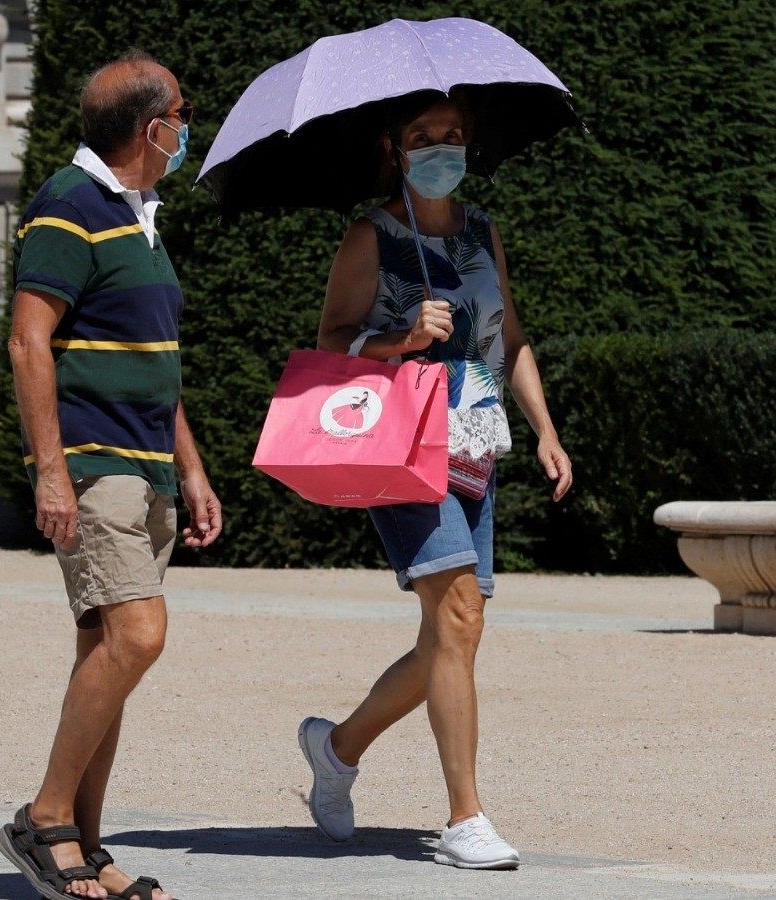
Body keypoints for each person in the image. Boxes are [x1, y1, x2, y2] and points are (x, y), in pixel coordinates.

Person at [298, 90, 572, 871]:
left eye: (452, 135)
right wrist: (401, 337)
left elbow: (509, 337)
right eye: (423, 136)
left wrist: (546, 429)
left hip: (476, 438)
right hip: (400, 442)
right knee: (456, 617)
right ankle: (465, 818)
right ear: (395, 148)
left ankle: (338, 748)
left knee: (455, 631)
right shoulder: (371, 235)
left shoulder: (484, 231)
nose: (440, 147)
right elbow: (332, 343)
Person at [0, 50, 220, 900]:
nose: (188, 127)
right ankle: (44, 818)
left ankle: (85, 845)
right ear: (149, 125)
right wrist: (50, 473)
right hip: (94, 465)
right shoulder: (69, 202)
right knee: (138, 636)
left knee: (107, 648)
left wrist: (191, 468)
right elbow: (28, 342)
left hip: (146, 463)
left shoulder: (142, 215)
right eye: (182, 112)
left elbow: (154, 361)